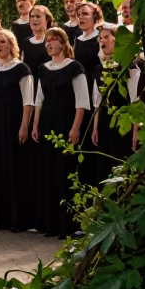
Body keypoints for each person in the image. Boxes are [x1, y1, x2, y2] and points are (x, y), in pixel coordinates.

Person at [32, 27, 91, 238]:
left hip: (66, 124)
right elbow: (39, 100)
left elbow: (82, 102)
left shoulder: (74, 68)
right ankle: (51, 223)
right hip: (47, 126)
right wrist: (35, 125)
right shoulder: (43, 69)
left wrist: (75, 129)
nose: (48, 44)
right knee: (49, 172)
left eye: (53, 40)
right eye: (46, 41)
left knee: (65, 172)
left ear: (63, 43)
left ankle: (68, 225)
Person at [0, 30, 34, 232]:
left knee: (15, 168)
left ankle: (18, 219)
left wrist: (24, 126)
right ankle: (1, 217)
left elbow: (28, 101)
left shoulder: (22, 69)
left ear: (11, 44)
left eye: (2, 41)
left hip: (14, 121)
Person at [91, 24, 141, 169]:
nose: (102, 41)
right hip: (105, 122)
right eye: (100, 38)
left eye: (106, 37)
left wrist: (135, 133)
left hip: (123, 123)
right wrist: (95, 128)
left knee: (122, 163)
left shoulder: (130, 67)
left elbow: (135, 102)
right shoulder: (99, 69)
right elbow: (97, 101)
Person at [22, 4, 55, 84]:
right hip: (31, 84)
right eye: (32, 17)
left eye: (38, 16)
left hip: (50, 83)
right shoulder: (26, 42)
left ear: (47, 20)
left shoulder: (53, 40)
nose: (34, 19)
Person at [73, 1, 103, 80]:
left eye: (85, 14)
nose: (80, 17)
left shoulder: (100, 37)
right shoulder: (78, 39)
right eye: (78, 15)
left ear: (95, 17)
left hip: (97, 82)